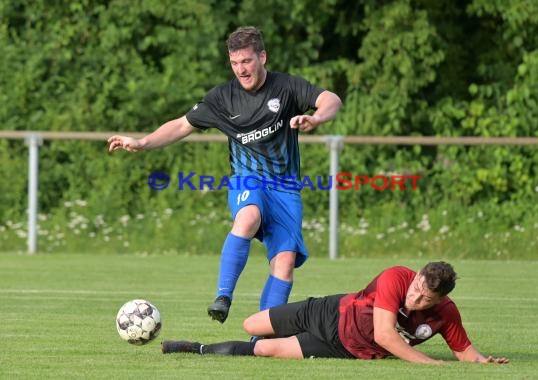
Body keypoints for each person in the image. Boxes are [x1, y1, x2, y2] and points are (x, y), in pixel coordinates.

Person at [107, 26, 343, 324]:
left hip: (285, 188)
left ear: (262, 57)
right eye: (234, 63)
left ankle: (262, 336)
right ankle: (223, 296)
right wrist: (142, 143)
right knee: (248, 217)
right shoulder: (222, 98)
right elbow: (181, 125)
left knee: (284, 264)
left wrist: (317, 116)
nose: (240, 70)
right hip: (247, 180)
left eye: (246, 61)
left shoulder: (287, 87)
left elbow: (331, 98)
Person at [161, 261, 510, 364]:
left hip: (343, 348)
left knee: (265, 349)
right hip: (329, 311)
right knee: (250, 324)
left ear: (439, 301)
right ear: (416, 277)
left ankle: (196, 348)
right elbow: (387, 335)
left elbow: (464, 351)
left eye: (424, 300)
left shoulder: (446, 313)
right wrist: (431, 365)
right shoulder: (396, 277)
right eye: (416, 289)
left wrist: (483, 362)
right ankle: (284, 334)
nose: (414, 299)